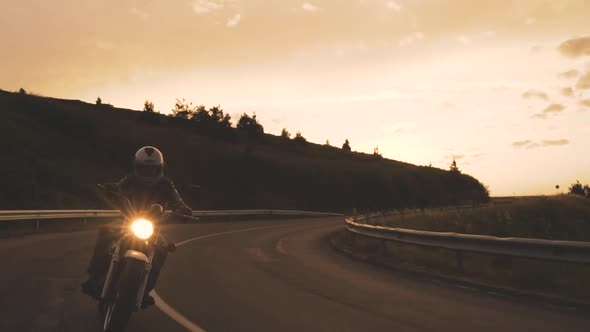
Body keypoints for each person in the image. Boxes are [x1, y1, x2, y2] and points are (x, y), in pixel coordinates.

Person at [81, 146, 192, 307]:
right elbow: (118, 187)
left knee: (162, 251)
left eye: (152, 170)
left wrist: (184, 210)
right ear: (137, 167)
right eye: (144, 169)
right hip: (128, 219)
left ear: (159, 169)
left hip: (153, 225)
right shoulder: (130, 180)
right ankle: (94, 277)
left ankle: (145, 291)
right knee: (105, 232)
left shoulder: (166, 184)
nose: (148, 173)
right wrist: (111, 188)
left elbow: (178, 201)